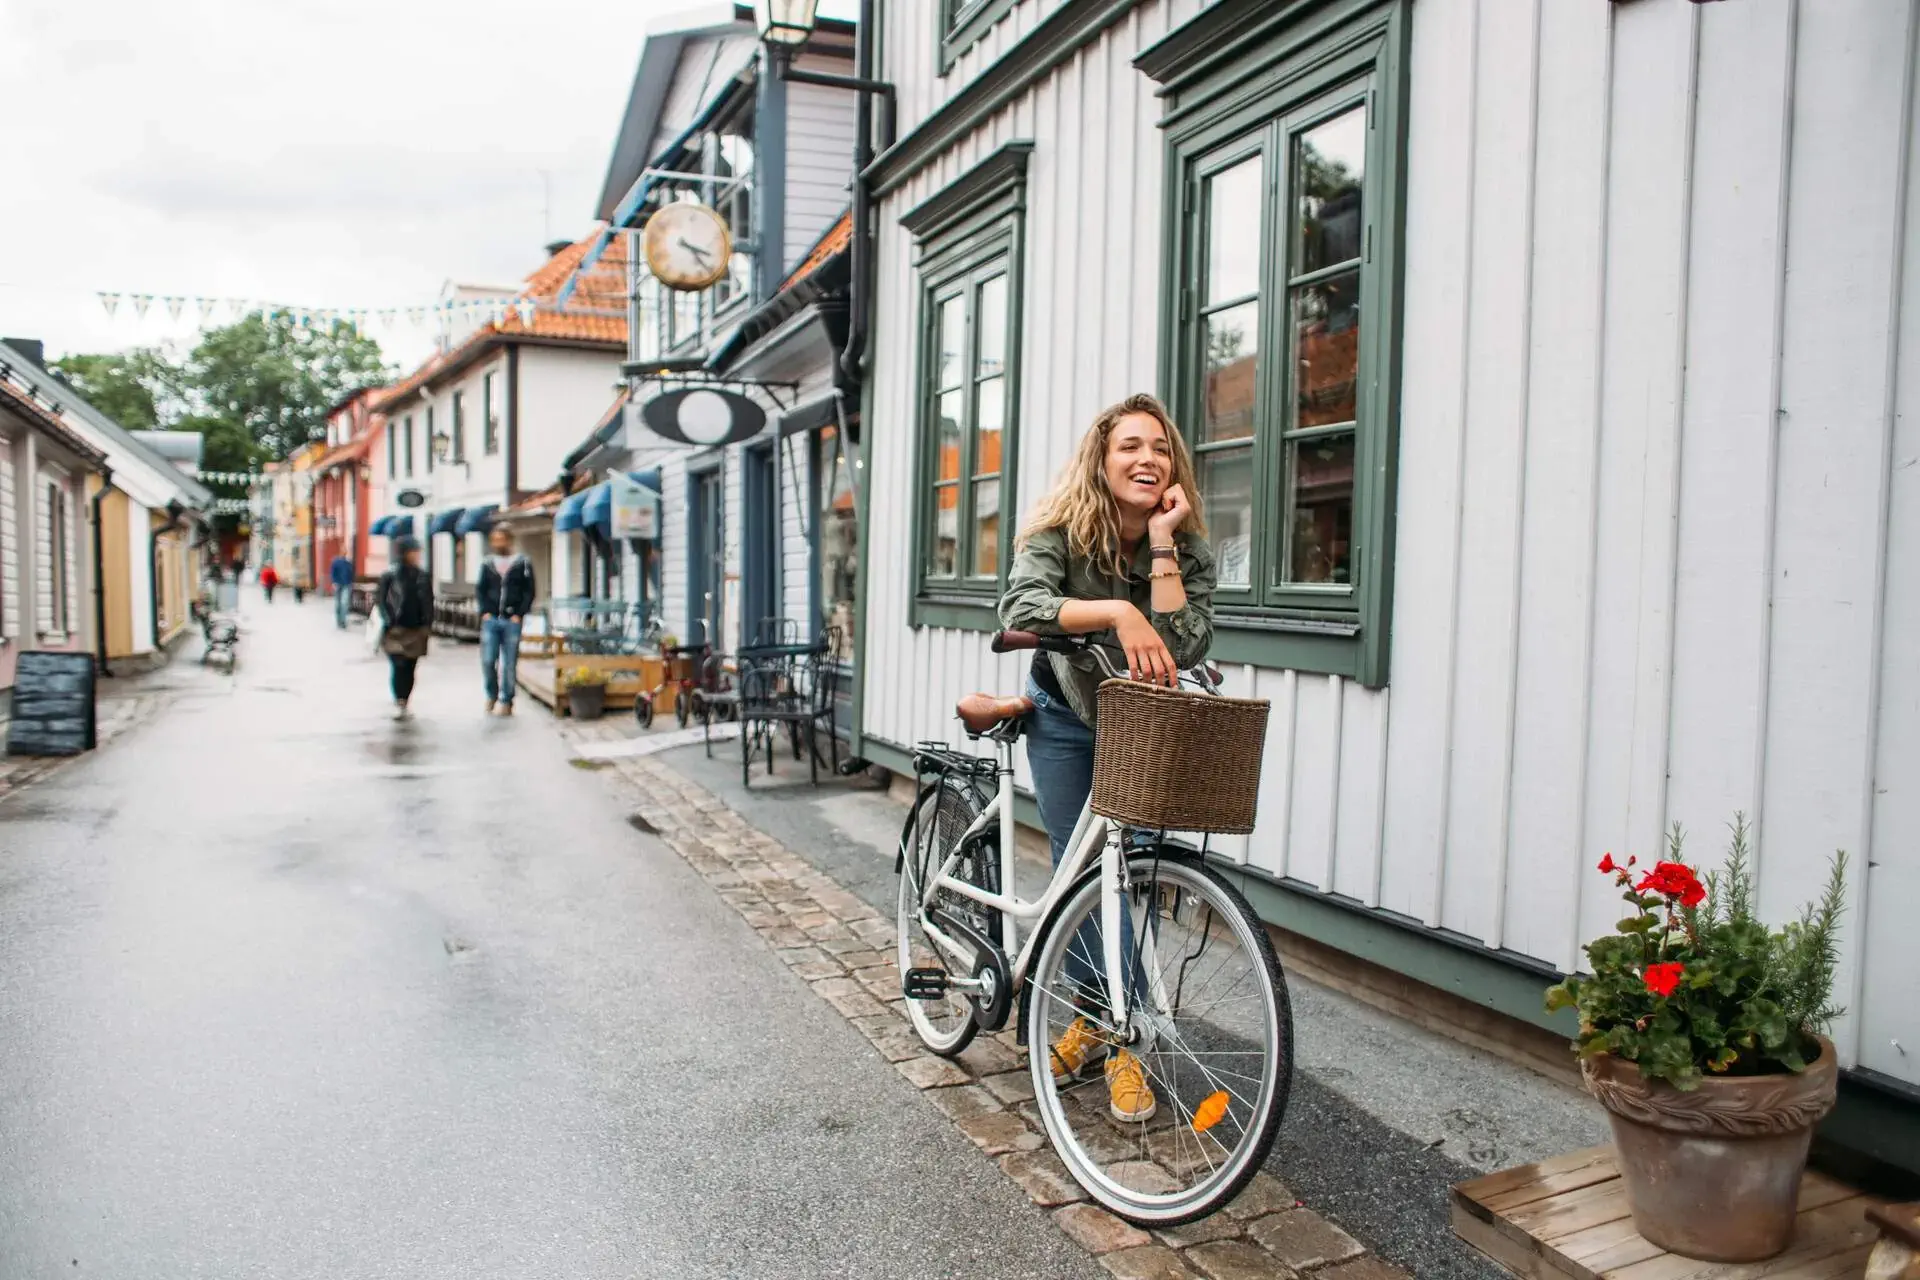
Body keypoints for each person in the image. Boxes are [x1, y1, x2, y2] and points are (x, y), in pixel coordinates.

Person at [997, 392, 1216, 1125]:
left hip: (1142, 722)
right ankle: (1108, 1025)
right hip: (1065, 715)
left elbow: (1184, 644)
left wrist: (1160, 545)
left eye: (1159, 447)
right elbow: (1020, 606)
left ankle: (1110, 1032)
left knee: (1137, 871)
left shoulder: (1182, 546)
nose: (1147, 458)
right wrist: (1118, 611)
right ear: (1102, 456)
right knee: (1084, 871)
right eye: (1130, 445)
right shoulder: (1062, 530)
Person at [474, 524, 534, 716]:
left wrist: (520, 613)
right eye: (495, 539)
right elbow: (480, 589)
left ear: (509, 540)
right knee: (488, 660)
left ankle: (507, 700)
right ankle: (491, 694)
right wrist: (485, 611)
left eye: (502, 539)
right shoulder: (487, 563)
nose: (498, 543)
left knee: (509, 663)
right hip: (491, 620)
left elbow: (529, 591)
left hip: (511, 620)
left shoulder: (522, 562)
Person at [376, 537, 433, 720]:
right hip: (396, 628)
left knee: (410, 665)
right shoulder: (390, 575)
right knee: (398, 664)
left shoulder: (422, 576)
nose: (416, 555)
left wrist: (428, 623)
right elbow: (381, 600)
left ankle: (405, 698)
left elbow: (428, 601)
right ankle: (400, 699)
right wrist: (388, 620)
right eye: (413, 551)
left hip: (416, 627)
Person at [329, 552, 355, 629]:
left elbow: (351, 573)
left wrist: (351, 582)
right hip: (338, 584)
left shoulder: (348, 563)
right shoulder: (336, 562)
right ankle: (339, 620)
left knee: (344, 603)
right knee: (338, 603)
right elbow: (333, 572)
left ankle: (343, 621)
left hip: (346, 585)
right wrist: (334, 582)